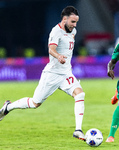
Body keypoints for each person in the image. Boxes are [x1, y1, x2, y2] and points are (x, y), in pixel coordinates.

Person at [0, 6, 85, 141]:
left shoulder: (73, 31)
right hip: (52, 74)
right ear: (64, 19)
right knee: (35, 103)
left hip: (66, 73)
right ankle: (8, 107)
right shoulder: (56, 32)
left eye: (76, 22)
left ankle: (78, 130)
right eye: (73, 22)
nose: (75, 25)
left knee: (79, 94)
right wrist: (59, 57)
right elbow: (51, 49)